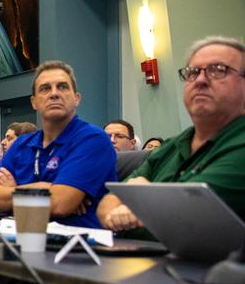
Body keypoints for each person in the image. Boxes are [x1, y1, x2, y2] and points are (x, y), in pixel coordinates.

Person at [99, 36, 245, 229]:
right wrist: (145, 203)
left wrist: (142, 196)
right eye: (192, 73)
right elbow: (105, 206)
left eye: (218, 71)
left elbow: (189, 215)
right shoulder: (172, 146)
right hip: (136, 256)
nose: (200, 80)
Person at [0, 60, 115, 228]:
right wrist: (44, 188)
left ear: (76, 99)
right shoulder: (22, 144)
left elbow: (60, 204)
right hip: (23, 237)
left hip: (79, 246)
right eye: (45, 88)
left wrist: (14, 191)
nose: (54, 94)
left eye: (63, 87)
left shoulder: (93, 140)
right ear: (34, 102)